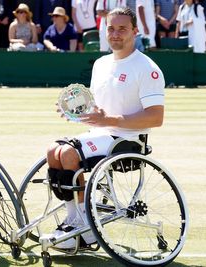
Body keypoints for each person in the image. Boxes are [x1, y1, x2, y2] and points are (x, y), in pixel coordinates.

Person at [46, 7, 165, 249]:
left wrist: (109, 120)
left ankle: (84, 227)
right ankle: (76, 221)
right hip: (100, 134)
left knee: (68, 153)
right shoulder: (100, 63)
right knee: (53, 151)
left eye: (122, 29)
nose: (115, 34)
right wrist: (75, 112)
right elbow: (97, 111)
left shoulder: (147, 68)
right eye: (111, 28)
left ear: (135, 31)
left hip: (127, 140)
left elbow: (155, 117)